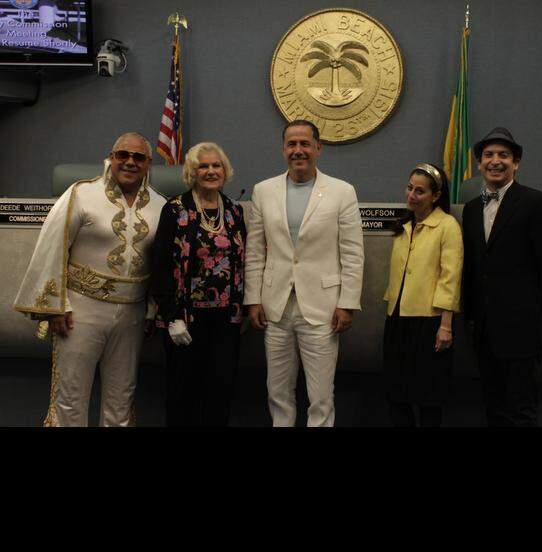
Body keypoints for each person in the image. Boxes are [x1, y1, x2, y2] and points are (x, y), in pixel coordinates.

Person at [11, 132, 166, 426]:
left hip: (132, 315)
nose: (130, 162)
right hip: (79, 311)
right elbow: (52, 246)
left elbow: (161, 265)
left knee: (122, 398)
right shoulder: (80, 193)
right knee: (71, 396)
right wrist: (56, 305)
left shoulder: (162, 205)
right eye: (123, 155)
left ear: (148, 163)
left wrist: (151, 311)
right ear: (111, 156)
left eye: (138, 157)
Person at [244, 120, 364, 427]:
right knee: (277, 392)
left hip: (323, 308)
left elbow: (352, 254)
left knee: (321, 396)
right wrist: (253, 300)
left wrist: (347, 303)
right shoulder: (263, 191)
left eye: (305, 144)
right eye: (292, 144)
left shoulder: (342, 191)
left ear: (318, 148)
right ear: (283, 149)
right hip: (275, 307)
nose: (298, 150)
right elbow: (256, 250)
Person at [462, 127, 542, 426]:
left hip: (522, 327)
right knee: (492, 407)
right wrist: (470, 316)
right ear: (479, 163)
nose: (496, 161)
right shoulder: (471, 210)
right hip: (483, 331)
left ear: (516, 163)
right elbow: (472, 266)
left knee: (520, 410)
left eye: (504, 155)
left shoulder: (537, 204)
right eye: (489, 155)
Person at [147, 141, 246, 426]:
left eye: (216, 165)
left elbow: (244, 261)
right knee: (183, 393)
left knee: (221, 391)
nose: (211, 171)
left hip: (227, 320)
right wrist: (170, 316)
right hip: (185, 319)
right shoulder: (175, 209)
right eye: (203, 166)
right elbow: (161, 264)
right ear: (192, 172)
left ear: (224, 170)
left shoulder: (234, 211)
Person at [382, 163, 463, 427]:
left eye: (420, 191)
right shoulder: (403, 225)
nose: (411, 195)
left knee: (427, 395)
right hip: (397, 318)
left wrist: (446, 326)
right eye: (409, 188)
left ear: (435, 196)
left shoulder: (447, 226)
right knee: (396, 394)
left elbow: (450, 278)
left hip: (430, 322)